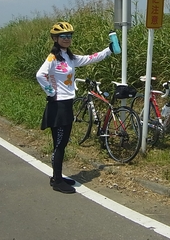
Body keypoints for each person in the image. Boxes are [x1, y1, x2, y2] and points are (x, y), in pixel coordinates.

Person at [36, 21, 116, 194]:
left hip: (66, 104)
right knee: (59, 144)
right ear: (55, 38)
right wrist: (51, 92)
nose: (67, 39)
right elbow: (40, 74)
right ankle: (57, 181)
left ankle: (57, 176)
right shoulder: (53, 58)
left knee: (62, 143)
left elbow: (89, 58)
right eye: (63, 36)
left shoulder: (68, 57)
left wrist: (108, 50)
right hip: (58, 106)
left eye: (69, 36)